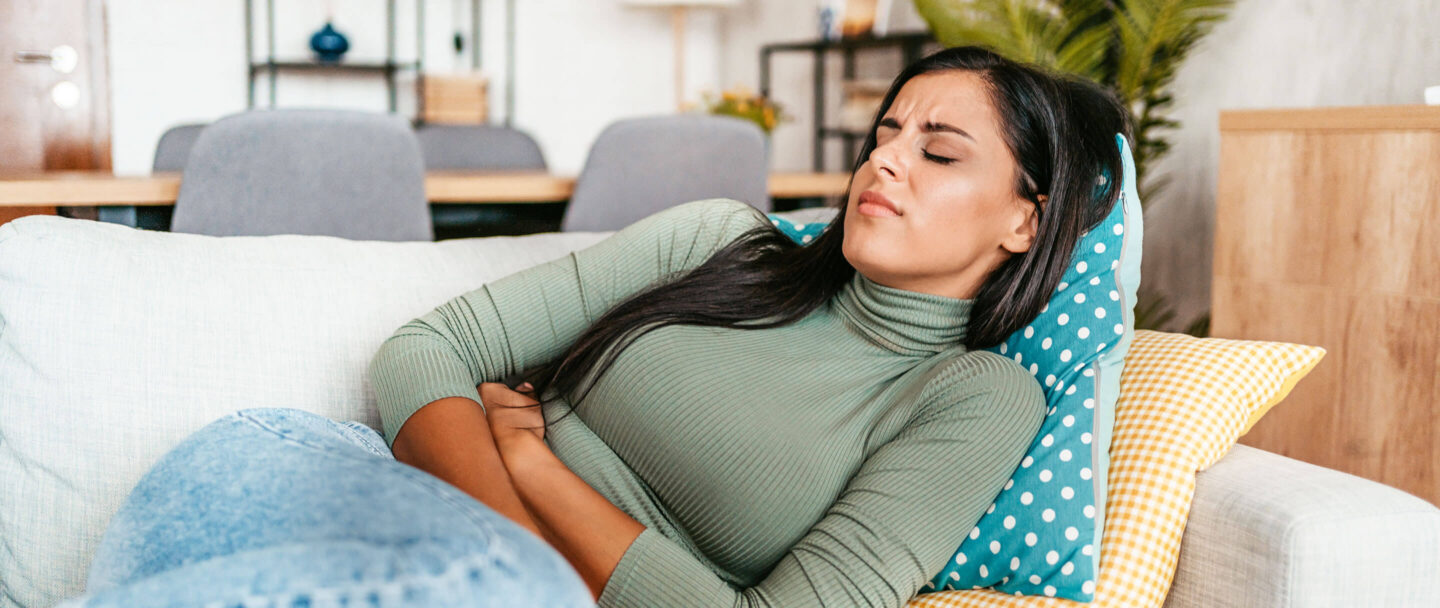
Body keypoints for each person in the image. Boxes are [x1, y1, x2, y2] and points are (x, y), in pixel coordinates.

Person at [62, 45, 1130, 607]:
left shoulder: (975, 396)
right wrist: (536, 551)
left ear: (1026, 216)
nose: (885, 161)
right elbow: (421, 351)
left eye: (939, 152)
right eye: (884, 133)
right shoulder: (721, 239)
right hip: (305, 472)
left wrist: (537, 459)